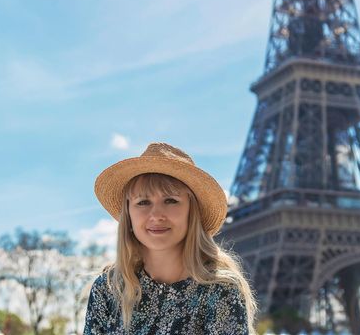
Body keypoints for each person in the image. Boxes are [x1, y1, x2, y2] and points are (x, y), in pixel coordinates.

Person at [83, 142, 257, 334]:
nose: (156, 214)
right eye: (143, 202)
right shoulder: (107, 290)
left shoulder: (221, 292)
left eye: (171, 200)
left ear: (192, 212)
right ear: (129, 215)